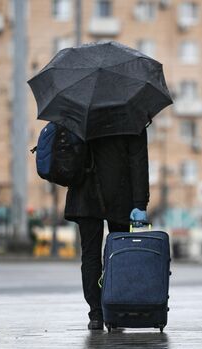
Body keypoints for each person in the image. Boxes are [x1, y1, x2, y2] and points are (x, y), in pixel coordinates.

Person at [64, 129, 150, 330]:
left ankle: (96, 314)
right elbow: (138, 161)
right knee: (119, 256)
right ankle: (115, 311)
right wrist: (140, 204)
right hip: (119, 195)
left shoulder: (80, 112)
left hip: (84, 193)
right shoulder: (130, 115)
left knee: (90, 256)